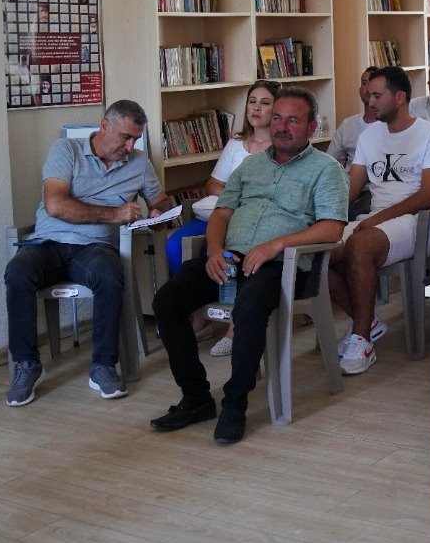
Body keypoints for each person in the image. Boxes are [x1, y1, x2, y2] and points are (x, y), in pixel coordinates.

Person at [147, 87, 347, 446]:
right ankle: (196, 398)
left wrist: (276, 245)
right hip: (229, 259)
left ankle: (234, 405)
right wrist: (213, 250)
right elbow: (222, 213)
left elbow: (332, 227)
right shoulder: (250, 166)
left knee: (250, 306)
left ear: (311, 127)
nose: (282, 126)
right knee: (167, 300)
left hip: (283, 266)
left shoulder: (326, 169)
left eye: (293, 120)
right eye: (277, 118)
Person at [4, 99, 172, 406]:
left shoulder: (139, 162)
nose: (130, 146)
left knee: (109, 275)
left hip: (96, 247)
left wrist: (159, 212)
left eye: (136, 139)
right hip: (48, 243)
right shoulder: (66, 150)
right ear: (105, 126)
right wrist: (113, 215)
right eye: (126, 137)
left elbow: (159, 200)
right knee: (17, 272)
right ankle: (27, 365)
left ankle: (103, 366)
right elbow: (56, 205)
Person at [329, 67, 430, 375]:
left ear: (399, 97)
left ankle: (362, 340)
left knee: (359, 245)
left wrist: (375, 220)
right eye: (368, 95)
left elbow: (429, 197)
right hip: (376, 221)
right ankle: (367, 322)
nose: (370, 101)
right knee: (317, 252)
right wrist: (320, 218)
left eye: (377, 96)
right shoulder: (369, 135)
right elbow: (351, 189)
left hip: (418, 222)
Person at [163, 79, 279, 357]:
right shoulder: (236, 143)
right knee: (175, 244)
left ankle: (233, 325)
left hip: (252, 220)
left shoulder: (281, 145)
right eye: (252, 102)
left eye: (265, 103)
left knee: (232, 251)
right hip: (221, 212)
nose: (256, 108)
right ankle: (199, 314)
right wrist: (235, 196)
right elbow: (213, 184)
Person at [327, 67, 379, 167]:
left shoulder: (390, 125)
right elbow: (330, 161)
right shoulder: (347, 125)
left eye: (373, 84)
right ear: (360, 90)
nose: (368, 88)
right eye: (364, 83)